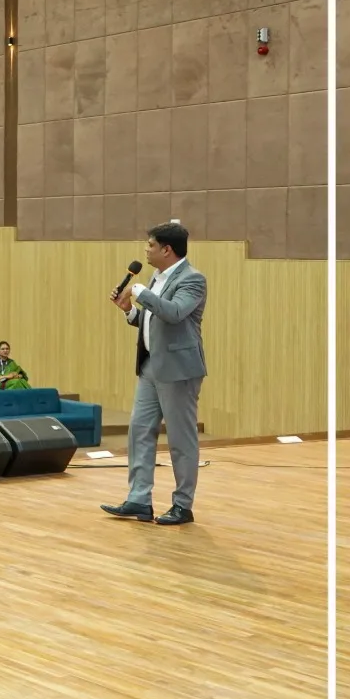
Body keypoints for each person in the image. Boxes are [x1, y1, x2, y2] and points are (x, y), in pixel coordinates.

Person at [104, 222, 207, 526]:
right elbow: (154, 323)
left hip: (178, 371)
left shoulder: (193, 279)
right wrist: (129, 310)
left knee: (180, 439)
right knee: (139, 431)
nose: (145, 251)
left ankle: (182, 505)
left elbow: (174, 313)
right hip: (151, 366)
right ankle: (139, 499)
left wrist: (141, 292)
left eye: (149, 245)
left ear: (166, 249)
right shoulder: (156, 277)